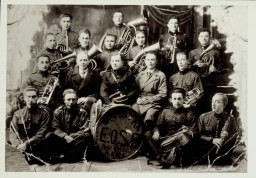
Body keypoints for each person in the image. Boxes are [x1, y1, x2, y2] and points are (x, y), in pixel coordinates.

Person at [144, 88, 197, 168]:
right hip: (166, 140)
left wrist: (188, 131)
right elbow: (158, 125)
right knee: (147, 134)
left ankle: (164, 157)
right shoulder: (165, 111)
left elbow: (195, 132)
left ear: (183, 100)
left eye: (179, 99)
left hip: (180, 143)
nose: (177, 101)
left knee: (180, 160)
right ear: (170, 100)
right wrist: (156, 131)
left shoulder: (189, 114)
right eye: (174, 99)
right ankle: (163, 156)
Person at [45, 89, 92, 163]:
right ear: (64, 100)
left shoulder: (82, 112)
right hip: (62, 140)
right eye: (68, 99)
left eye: (73, 99)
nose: (71, 102)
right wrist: (65, 136)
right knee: (49, 135)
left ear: (76, 100)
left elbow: (84, 129)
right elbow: (55, 128)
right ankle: (60, 155)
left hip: (75, 141)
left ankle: (67, 157)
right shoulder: (58, 112)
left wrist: (72, 136)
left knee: (87, 136)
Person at [9, 86, 51, 163]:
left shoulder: (45, 114)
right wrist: (18, 146)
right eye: (28, 97)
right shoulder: (17, 114)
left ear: (37, 98)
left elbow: (41, 134)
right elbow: (13, 133)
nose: (31, 99)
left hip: (36, 143)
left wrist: (26, 144)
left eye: (33, 97)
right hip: (21, 145)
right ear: (24, 98)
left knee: (49, 135)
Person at [197, 93, 239, 165]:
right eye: (212, 101)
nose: (213, 104)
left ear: (224, 105)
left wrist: (227, 137)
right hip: (207, 152)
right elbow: (198, 136)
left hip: (223, 151)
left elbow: (235, 135)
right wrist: (212, 140)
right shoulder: (203, 117)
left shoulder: (230, 118)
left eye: (217, 102)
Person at [132, 52, 167, 131]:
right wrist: (137, 99)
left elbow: (163, 94)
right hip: (140, 101)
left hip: (153, 103)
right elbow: (134, 90)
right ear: (145, 61)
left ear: (156, 61)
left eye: (152, 60)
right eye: (148, 59)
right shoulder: (140, 74)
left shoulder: (161, 75)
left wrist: (148, 99)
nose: (150, 62)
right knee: (132, 116)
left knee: (149, 120)